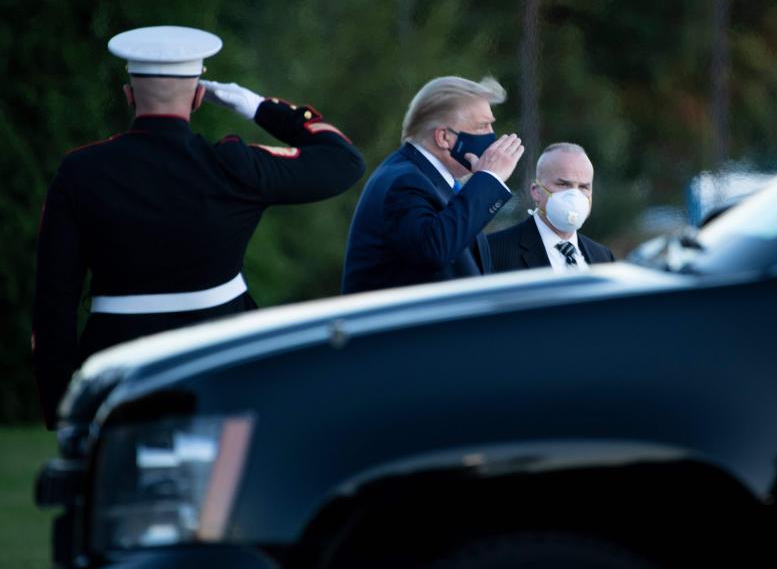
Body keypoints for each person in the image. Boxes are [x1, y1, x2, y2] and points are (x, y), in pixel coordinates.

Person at [32, 25, 365, 428]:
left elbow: (54, 299)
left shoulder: (81, 171)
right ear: (199, 97)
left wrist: (61, 407)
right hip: (220, 358)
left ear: (129, 95)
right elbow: (344, 162)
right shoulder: (233, 166)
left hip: (115, 362)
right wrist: (259, 106)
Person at [342, 76, 523, 294]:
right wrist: (489, 179)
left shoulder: (432, 180)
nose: (492, 137)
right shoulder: (404, 181)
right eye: (482, 126)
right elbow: (434, 249)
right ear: (443, 137)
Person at [487, 142, 614, 272]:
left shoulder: (603, 258)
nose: (574, 195)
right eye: (563, 184)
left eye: (583, 187)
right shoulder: (493, 251)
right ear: (536, 191)